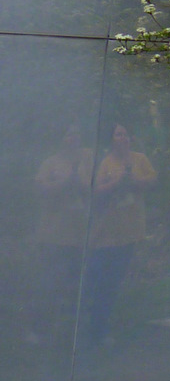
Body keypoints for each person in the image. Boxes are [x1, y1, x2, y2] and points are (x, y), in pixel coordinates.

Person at [81, 125, 156, 349]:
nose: (122, 138)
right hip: (105, 234)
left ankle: (100, 329)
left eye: (125, 134)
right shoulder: (105, 162)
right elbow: (96, 191)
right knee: (95, 280)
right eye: (117, 134)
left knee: (112, 283)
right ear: (111, 139)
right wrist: (117, 182)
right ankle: (86, 325)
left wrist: (132, 180)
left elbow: (152, 181)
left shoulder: (140, 159)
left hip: (129, 233)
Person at [29, 125, 93, 347]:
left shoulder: (87, 162)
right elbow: (41, 189)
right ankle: (39, 331)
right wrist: (67, 182)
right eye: (68, 135)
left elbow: (94, 189)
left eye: (76, 135)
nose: (72, 139)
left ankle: (71, 334)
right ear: (61, 139)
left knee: (76, 286)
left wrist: (80, 183)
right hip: (52, 236)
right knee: (48, 284)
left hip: (78, 236)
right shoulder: (51, 162)